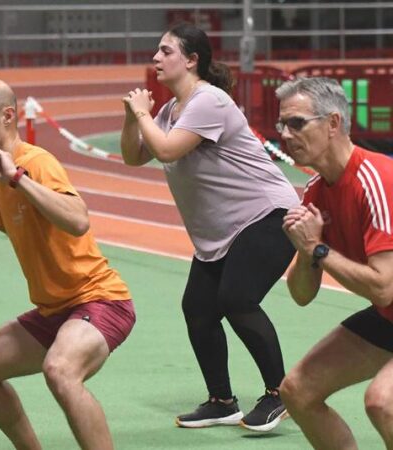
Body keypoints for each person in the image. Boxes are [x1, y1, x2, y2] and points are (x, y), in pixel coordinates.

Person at [0, 79, 136, 450]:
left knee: (60, 371)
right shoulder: (1, 166)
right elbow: (11, 219)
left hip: (100, 300)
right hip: (56, 311)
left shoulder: (34, 163)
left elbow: (77, 220)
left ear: (7, 116)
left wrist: (18, 178)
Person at [119, 22, 299, 432]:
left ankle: (279, 393)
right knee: (198, 309)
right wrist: (134, 117)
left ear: (192, 60)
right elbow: (134, 157)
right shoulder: (168, 111)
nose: (156, 58)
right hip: (224, 232)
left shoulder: (209, 101)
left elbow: (165, 148)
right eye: (157, 51)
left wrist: (144, 114)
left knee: (237, 298)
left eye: (166, 51)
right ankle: (221, 401)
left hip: (267, 216)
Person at [277, 77, 393, 449]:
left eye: (296, 123)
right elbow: (301, 295)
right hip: (388, 316)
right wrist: (306, 250)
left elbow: (383, 286)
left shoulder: (377, 180)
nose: (285, 134)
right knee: (297, 391)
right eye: (282, 125)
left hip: (387, 298)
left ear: (332, 124)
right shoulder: (314, 192)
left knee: (383, 402)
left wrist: (319, 249)